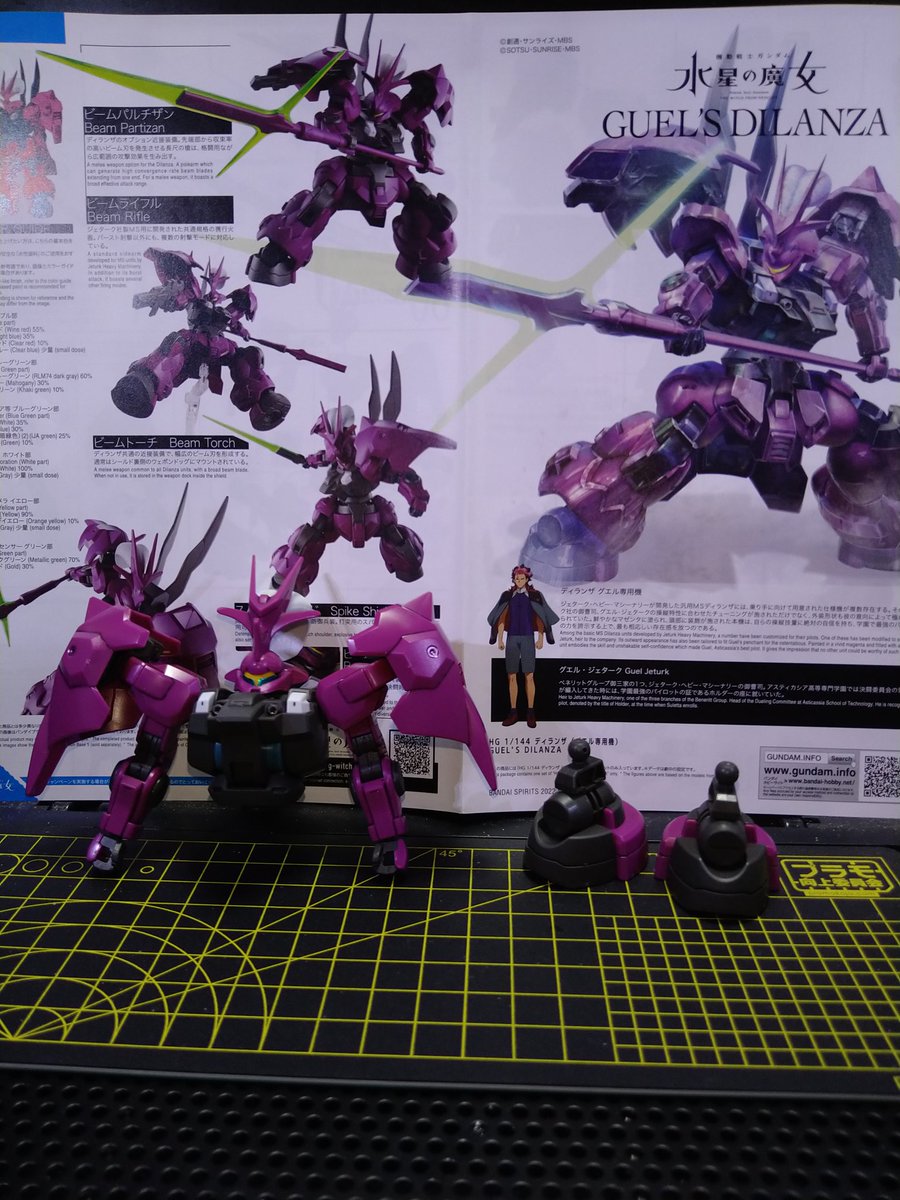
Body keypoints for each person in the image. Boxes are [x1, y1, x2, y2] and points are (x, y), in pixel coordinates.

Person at [487, 565, 559, 728]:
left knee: (529, 675)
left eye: (522, 578)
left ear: (527, 579)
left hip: (528, 638)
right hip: (512, 638)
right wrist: (500, 639)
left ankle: (530, 711)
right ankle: (513, 711)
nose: (519, 581)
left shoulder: (535, 596)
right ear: (514, 580)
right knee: (511, 675)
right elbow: (502, 618)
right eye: (517, 579)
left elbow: (540, 616)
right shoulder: (507, 596)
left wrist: (540, 638)